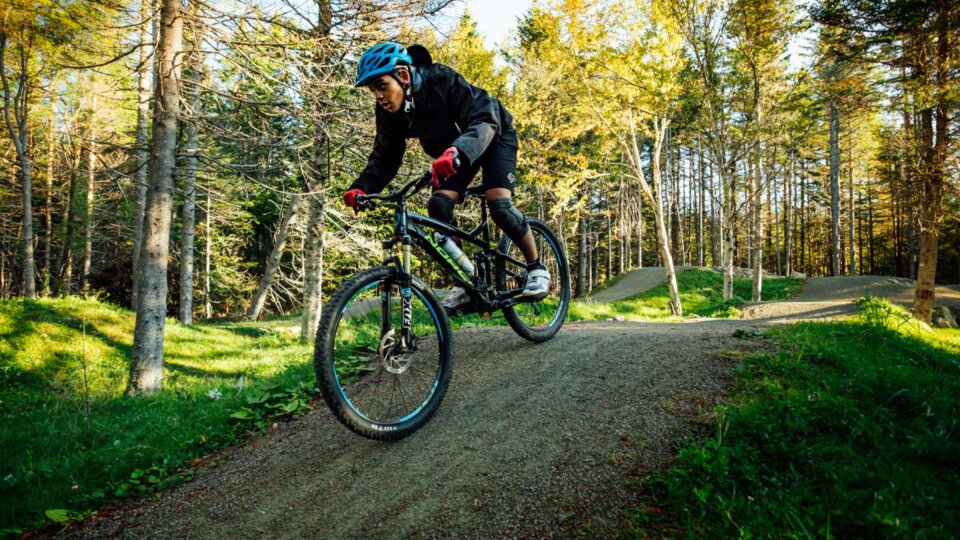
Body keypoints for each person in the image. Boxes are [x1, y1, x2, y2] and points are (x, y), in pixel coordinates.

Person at [342, 42, 550, 311]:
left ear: (403, 75)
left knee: (498, 204)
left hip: (493, 134)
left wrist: (457, 150)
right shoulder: (388, 112)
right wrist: (361, 187)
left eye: (381, 86)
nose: (378, 96)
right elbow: (385, 156)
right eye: (373, 90)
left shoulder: (440, 79)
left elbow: (484, 119)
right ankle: (466, 282)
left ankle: (536, 267)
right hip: (453, 153)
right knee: (438, 205)